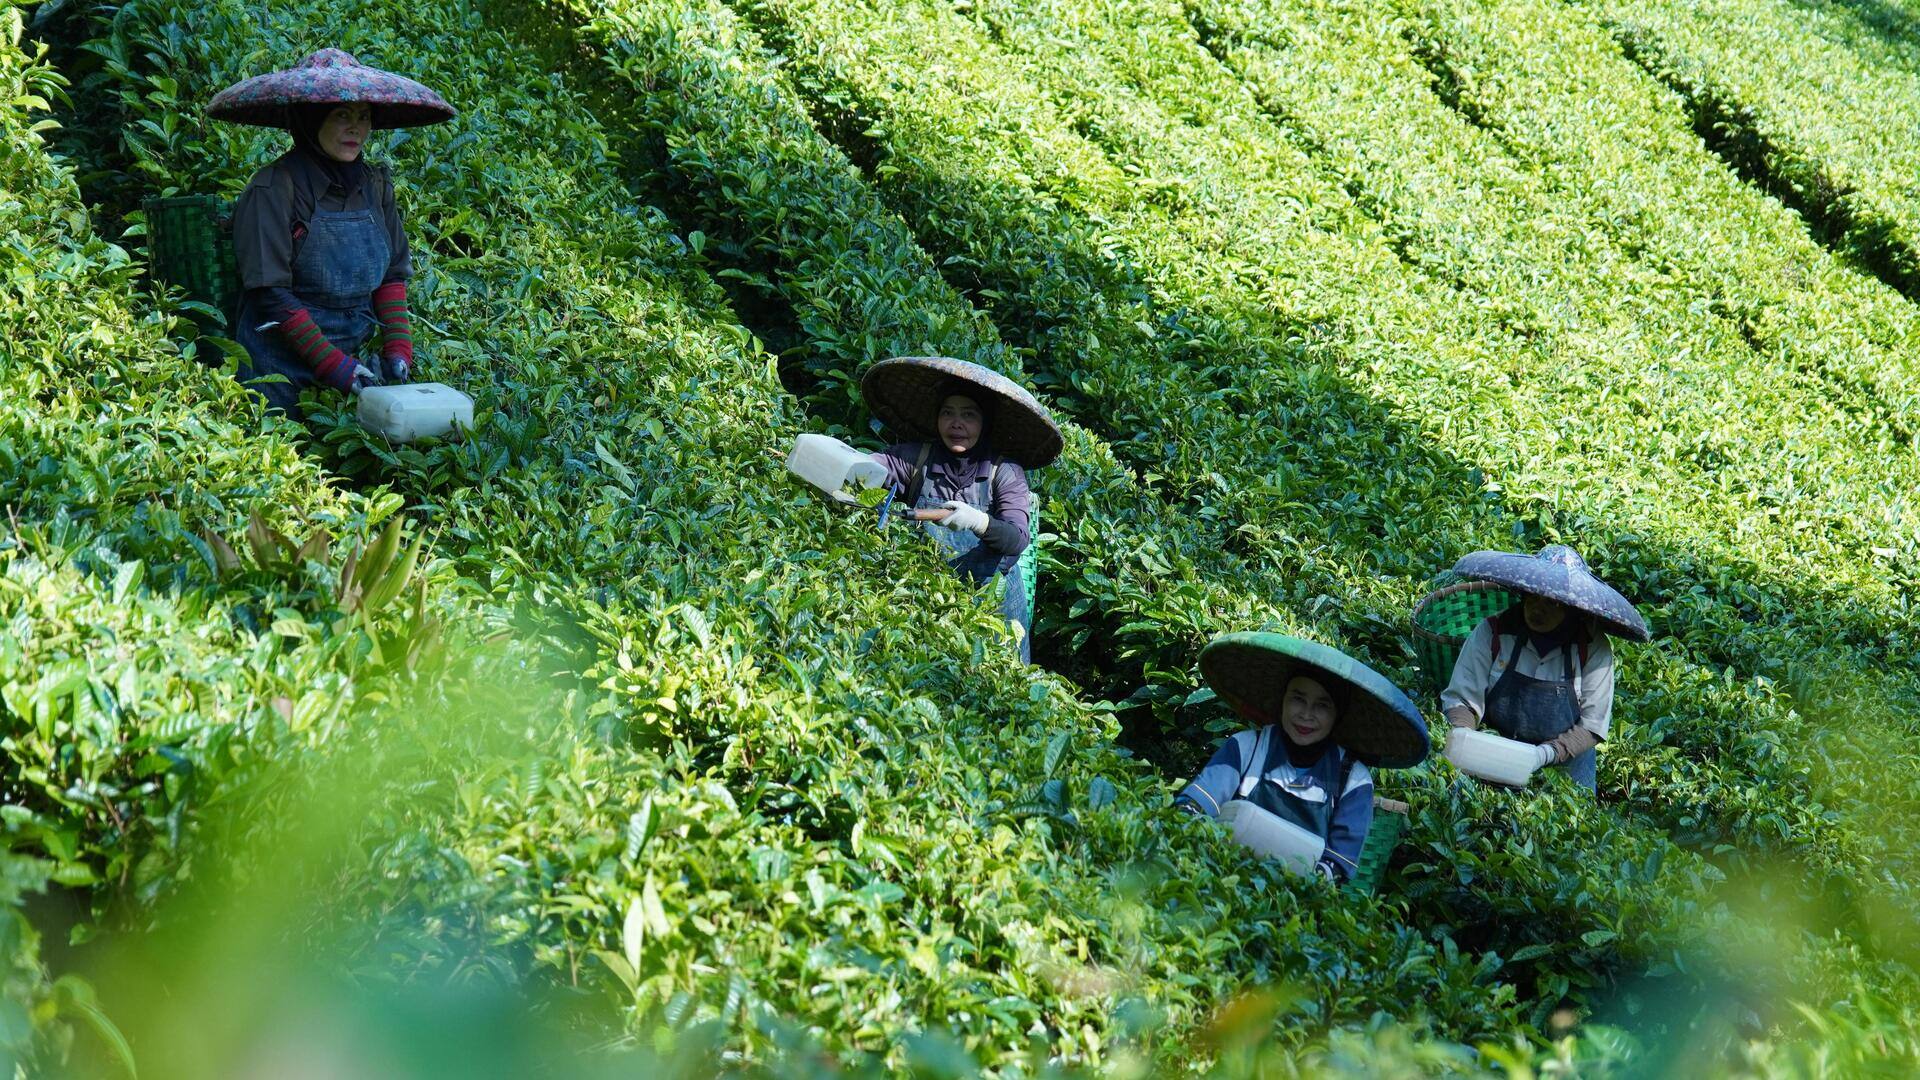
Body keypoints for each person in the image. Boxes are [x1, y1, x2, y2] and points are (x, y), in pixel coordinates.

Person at [207, 49, 455, 413]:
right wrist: (333, 365)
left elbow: (391, 276)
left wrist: (398, 349)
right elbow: (270, 293)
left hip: (352, 367)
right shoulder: (273, 188)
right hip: (279, 372)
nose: (356, 127)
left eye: (363, 116)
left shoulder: (375, 186)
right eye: (341, 115)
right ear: (309, 119)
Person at [1177, 632, 1428, 883]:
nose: (1306, 715)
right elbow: (1196, 804)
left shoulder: (1353, 779)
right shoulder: (1246, 748)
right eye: (1298, 699)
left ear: (1337, 715)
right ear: (1283, 700)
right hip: (1222, 879)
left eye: (1322, 705)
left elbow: (1338, 866)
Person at [860, 357, 1062, 662]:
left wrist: (979, 522)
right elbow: (876, 468)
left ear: (985, 423)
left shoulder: (1004, 471)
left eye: (968, 415)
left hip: (994, 599)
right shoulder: (918, 458)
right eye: (947, 413)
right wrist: (851, 465)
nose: (956, 424)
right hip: (932, 590)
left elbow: (1017, 538)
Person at [1440, 544, 1651, 793]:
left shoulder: (1592, 648)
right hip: (1496, 756)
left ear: (1573, 607)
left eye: (1552, 603)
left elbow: (1592, 725)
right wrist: (1467, 739)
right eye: (1534, 595)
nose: (1538, 608)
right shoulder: (1494, 632)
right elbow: (1462, 698)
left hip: (1566, 770)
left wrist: (1543, 755)